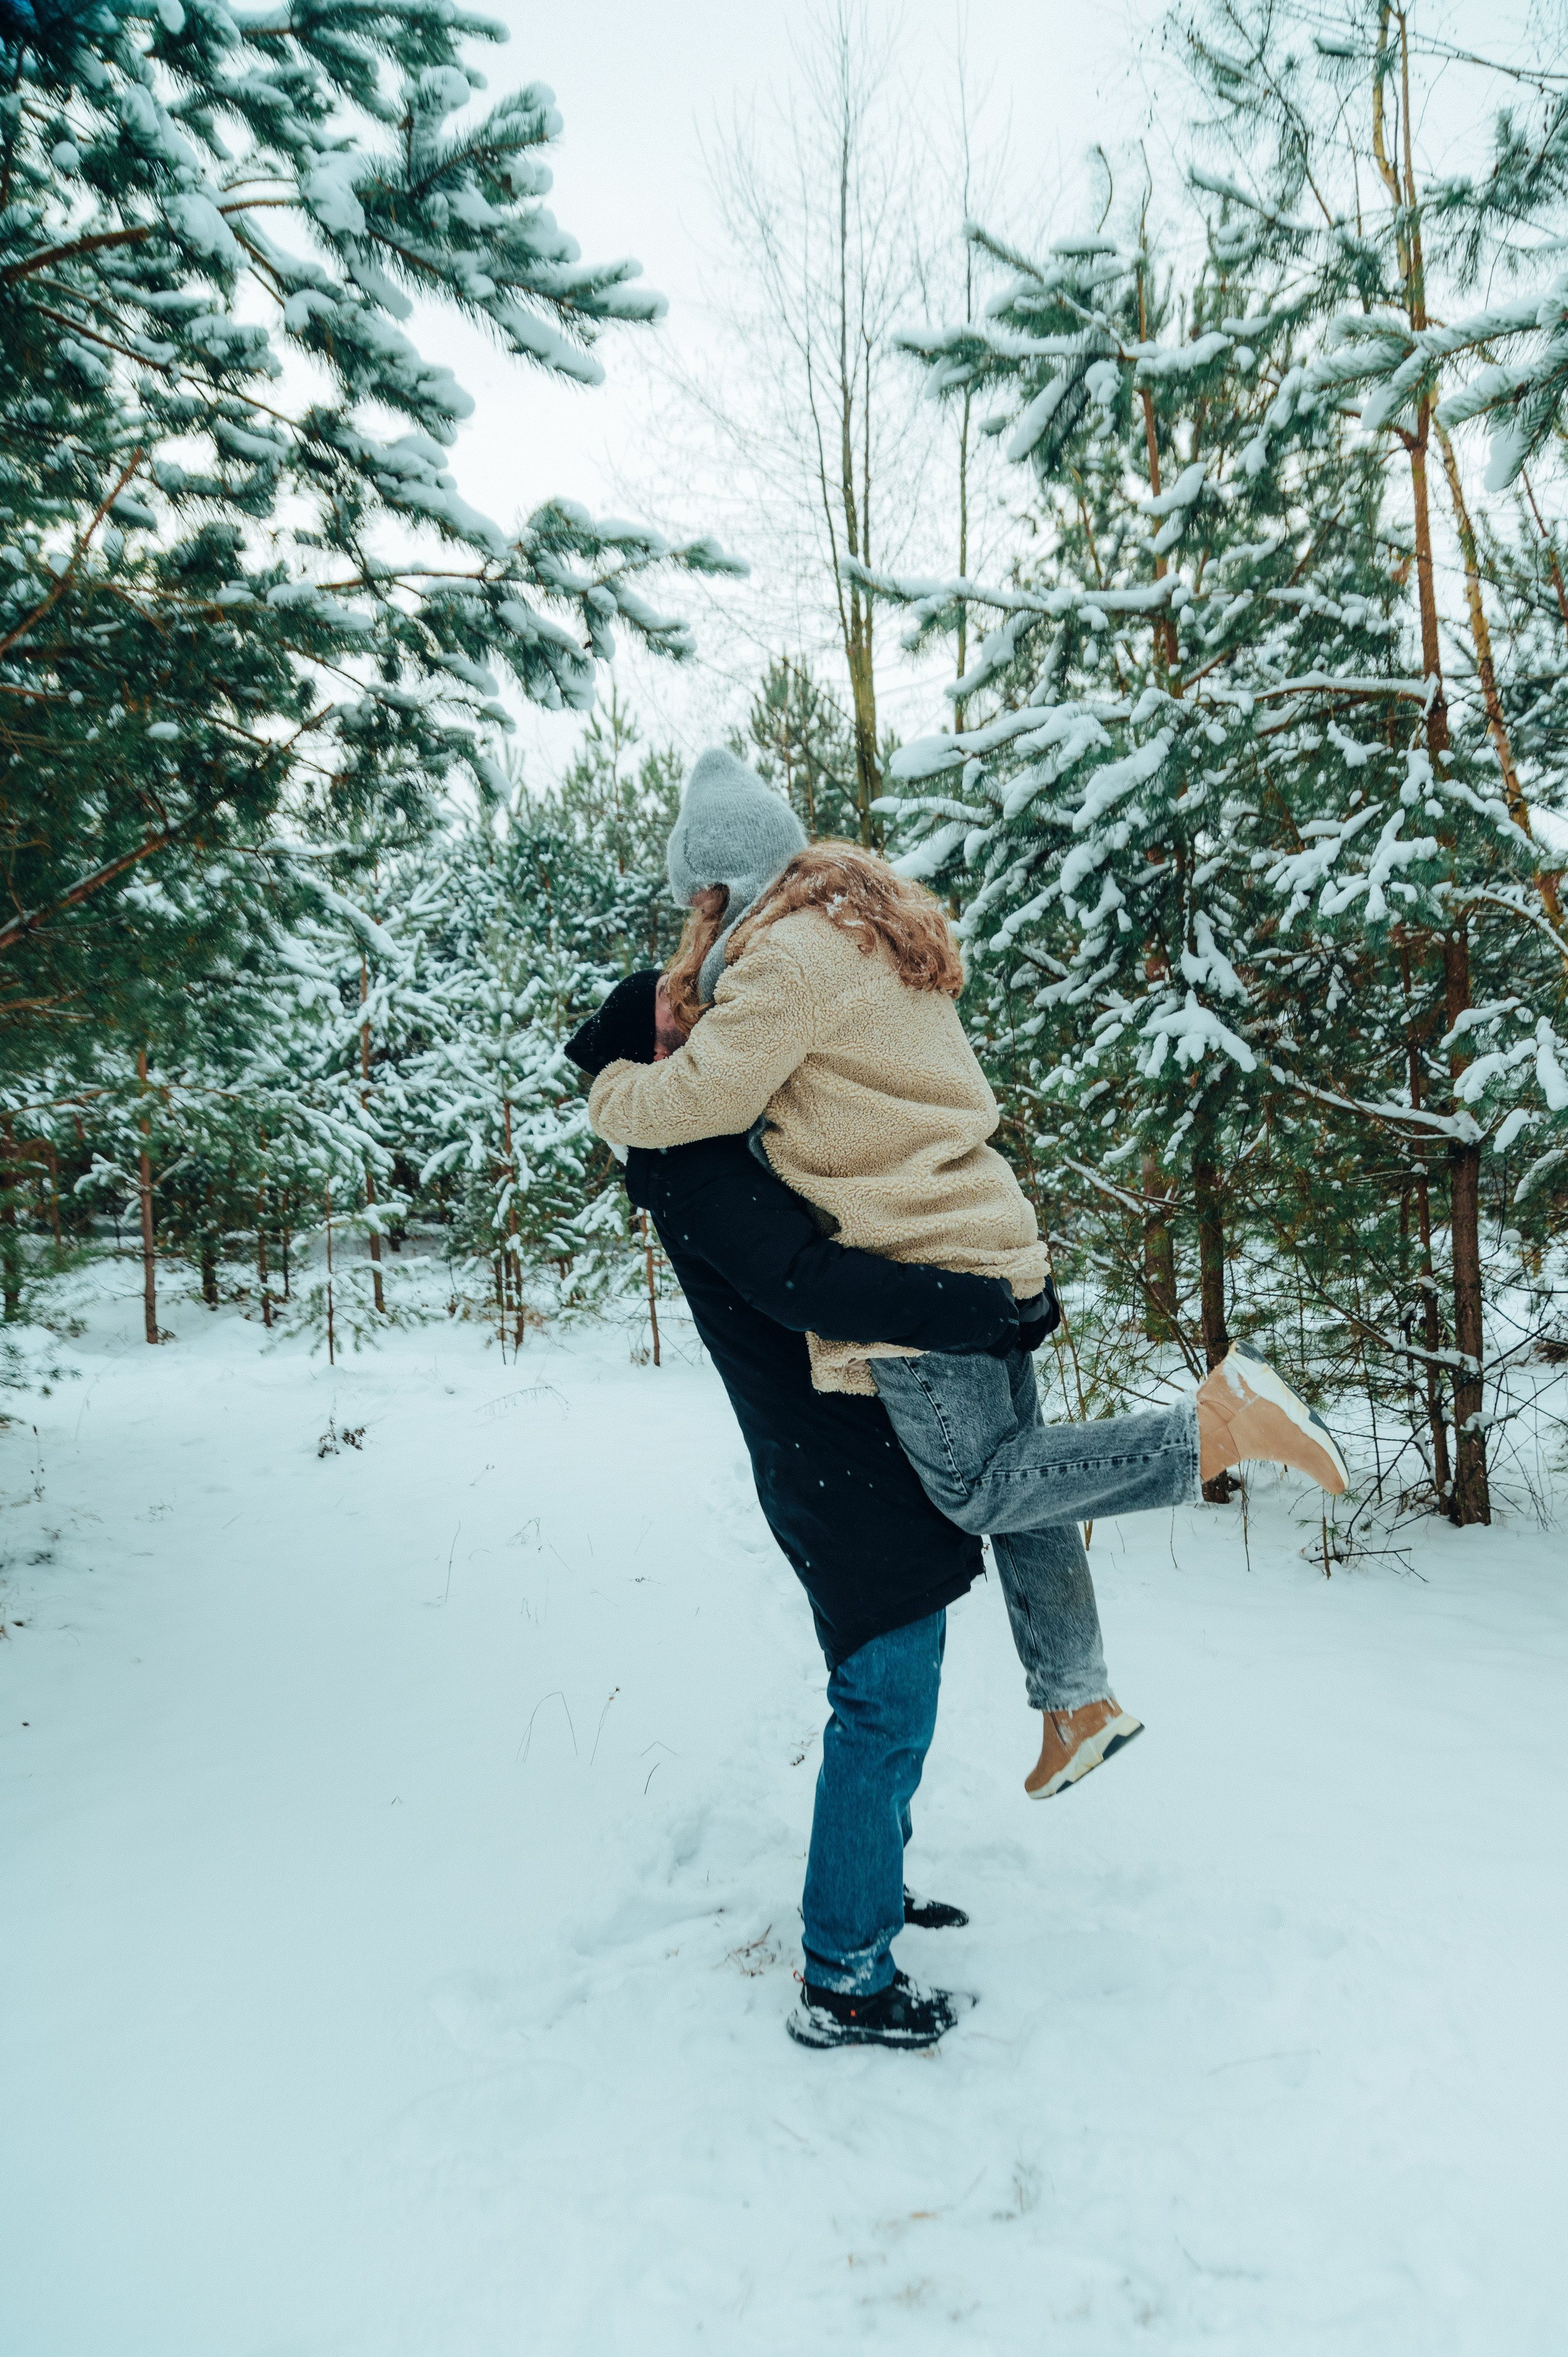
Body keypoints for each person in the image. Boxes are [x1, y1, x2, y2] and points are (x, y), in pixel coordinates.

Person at [587, 749, 1351, 1801]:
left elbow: (703, 1101)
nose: (696, 926)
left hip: (914, 1253)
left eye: (696, 903)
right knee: (1030, 1482)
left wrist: (613, 1090)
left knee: (983, 1485)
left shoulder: (781, 959)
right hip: (987, 1230)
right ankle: (1076, 1701)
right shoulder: (864, 928)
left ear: (720, 887)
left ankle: (1215, 1428)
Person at [568, 970, 1016, 2051]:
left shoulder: (711, 1143)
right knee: (882, 1711)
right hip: (836, 1468)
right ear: (647, 1058)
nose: (706, 1020)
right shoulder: (689, 1164)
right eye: (678, 1019)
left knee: (890, 1706)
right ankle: (846, 1978)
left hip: (845, 1454)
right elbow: (810, 1282)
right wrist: (974, 1306)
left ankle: (864, 1890)